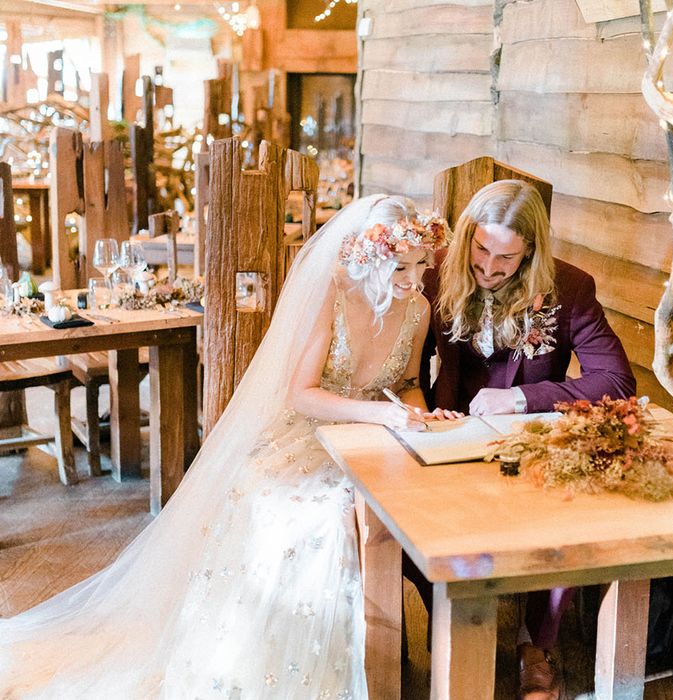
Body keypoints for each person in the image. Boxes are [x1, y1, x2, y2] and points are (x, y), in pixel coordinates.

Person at [0, 195, 459, 699]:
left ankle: (380, 657)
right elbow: (300, 394)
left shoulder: (417, 308)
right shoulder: (332, 296)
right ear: (369, 256)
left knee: (402, 505)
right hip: (308, 435)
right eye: (400, 266)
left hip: (373, 435)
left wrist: (411, 411)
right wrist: (378, 412)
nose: (413, 278)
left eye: (420, 265)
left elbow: (411, 380)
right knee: (321, 516)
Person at [411, 180, 636, 700]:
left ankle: (536, 646)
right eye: (481, 250)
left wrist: (522, 399)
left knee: (569, 514)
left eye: (506, 258)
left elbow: (618, 381)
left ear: (530, 250)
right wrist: (424, 413)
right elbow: (405, 357)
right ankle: (452, 624)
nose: (489, 269)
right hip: (449, 433)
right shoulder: (434, 269)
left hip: (527, 438)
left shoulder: (569, 288)